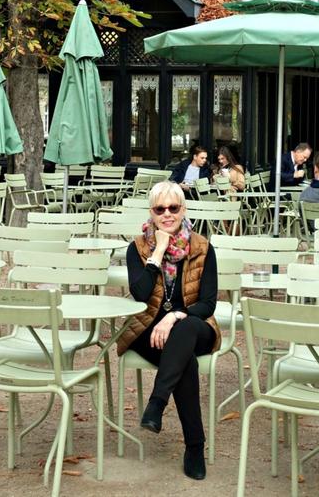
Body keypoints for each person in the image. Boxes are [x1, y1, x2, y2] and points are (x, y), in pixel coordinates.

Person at [118, 180, 220, 481]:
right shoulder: (137, 247)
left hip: (193, 325)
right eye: (159, 209)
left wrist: (174, 315)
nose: (167, 214)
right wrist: (159, 250)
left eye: (173, 208)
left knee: (185, 328)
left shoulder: (202, 247)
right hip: (148, 331)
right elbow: (140, 294)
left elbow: (208, 303)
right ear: (151, 212)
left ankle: (156, 404)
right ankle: (194, 447)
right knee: (183, 360)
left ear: (182, 209)